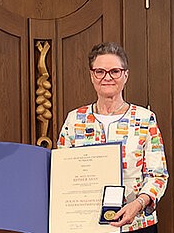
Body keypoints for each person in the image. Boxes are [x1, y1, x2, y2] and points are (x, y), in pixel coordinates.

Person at [58, 42, 168, 233]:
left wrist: (139, 204)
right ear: (92, 75)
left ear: (125, 75)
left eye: (115, 71)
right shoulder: (75, 119)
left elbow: (158, 175)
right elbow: (61, 172)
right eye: (100, 71)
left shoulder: (145, 119)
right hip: (85, 224)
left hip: (137, 225)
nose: (107, 77)